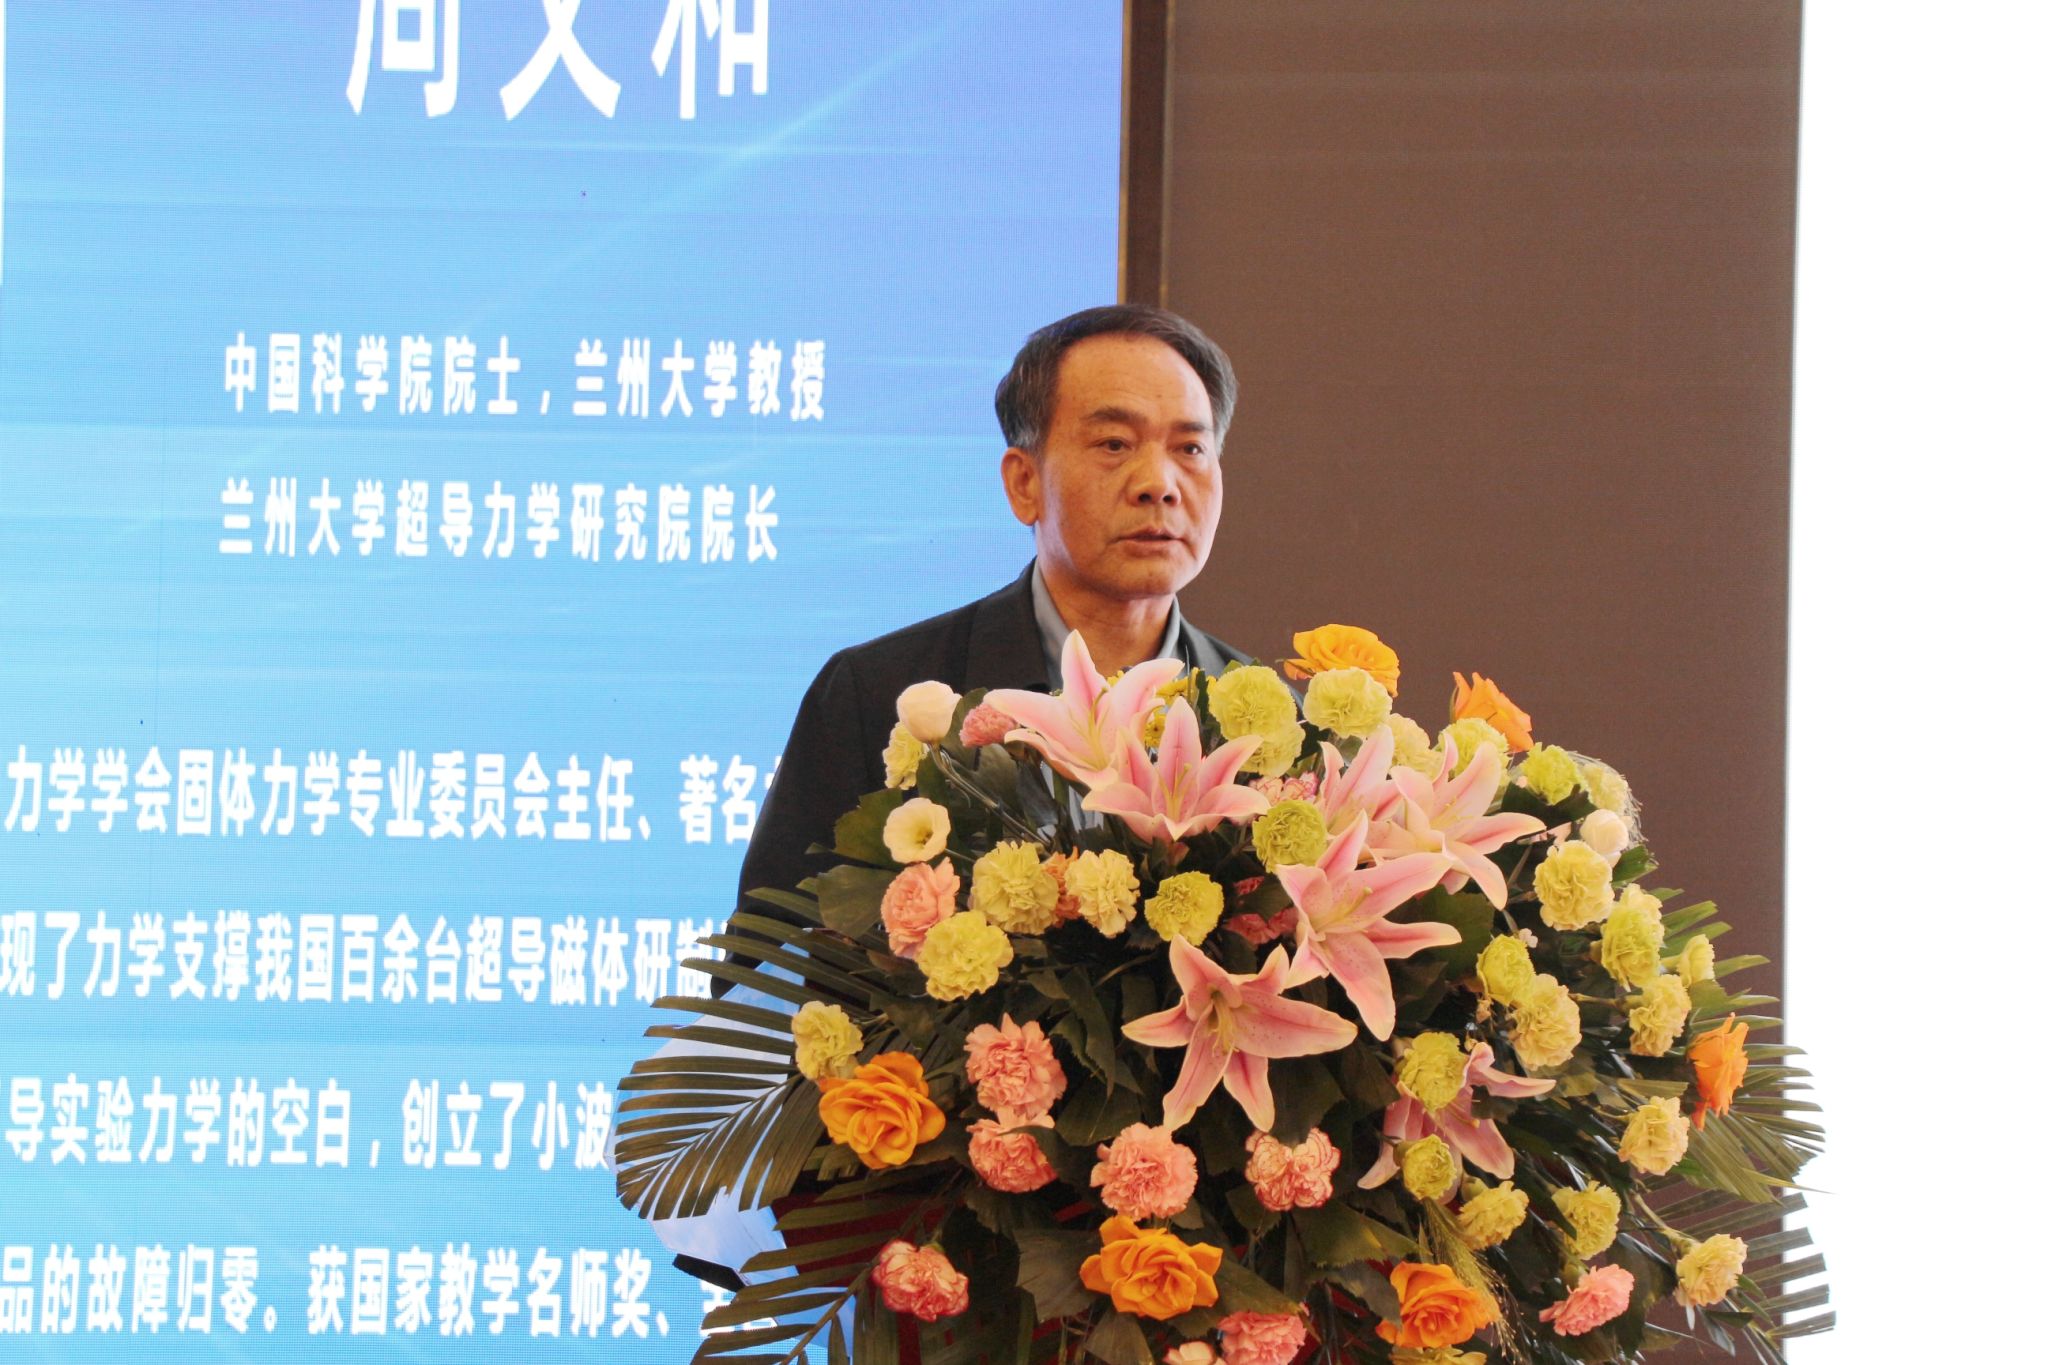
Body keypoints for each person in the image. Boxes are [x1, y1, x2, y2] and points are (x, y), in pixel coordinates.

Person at [717, 304, 1253, 986]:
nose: (1159, 484)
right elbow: (763, 982)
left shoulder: (1268, 728)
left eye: (1191, 449)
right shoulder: (876, 696)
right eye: (1115, 444)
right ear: (1024, 483)